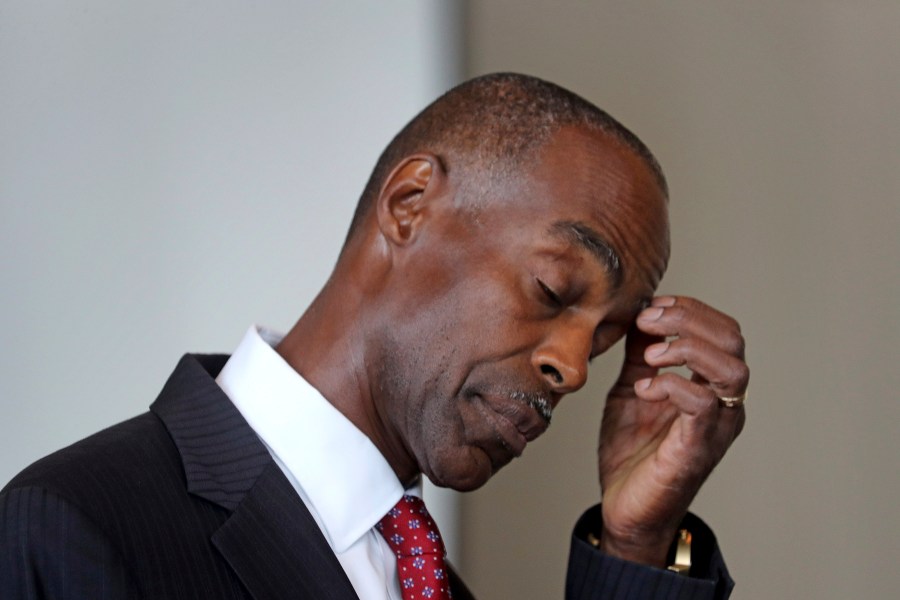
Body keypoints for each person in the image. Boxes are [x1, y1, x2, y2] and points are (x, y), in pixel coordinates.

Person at [0, 73, 748, 599]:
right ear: (410, 204)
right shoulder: (75, 528)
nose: (575, 366)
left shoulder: (426, 584)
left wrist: (635, 547)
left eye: (609, 336)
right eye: (553, 290)